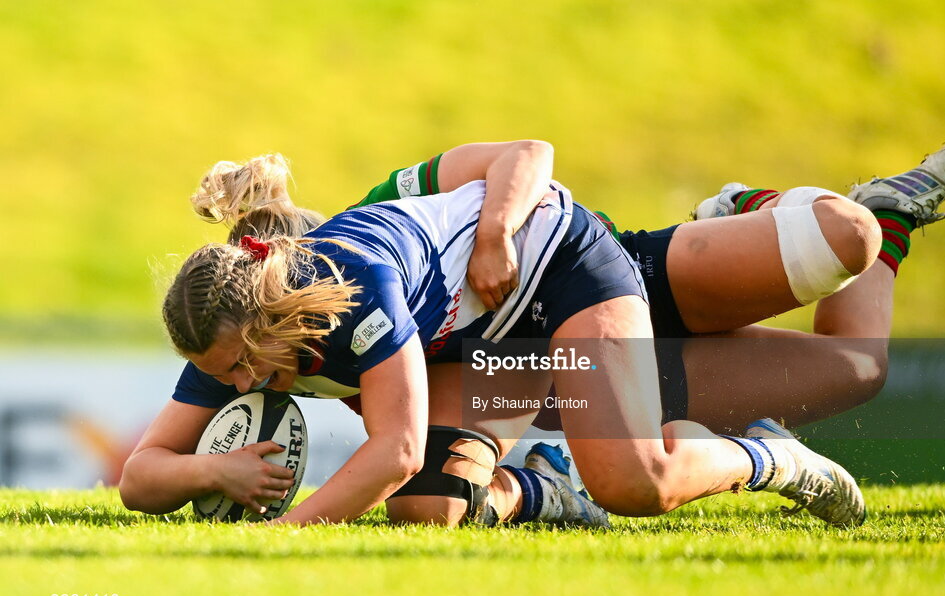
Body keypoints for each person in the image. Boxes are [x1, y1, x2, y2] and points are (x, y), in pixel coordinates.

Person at [119, 146, 879, 531]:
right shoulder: (234, 342)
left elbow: (396, 448)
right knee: (427, 514)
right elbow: (138, 476)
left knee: (633, 482)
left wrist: (287, 533)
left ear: (270, 318)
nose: (241, 384)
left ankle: (773, 458)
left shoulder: (353, 289)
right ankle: (550, 484)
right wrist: (211, 476)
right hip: (485, 342)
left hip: (559, 273)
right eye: (227, 373)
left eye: (245, 365)